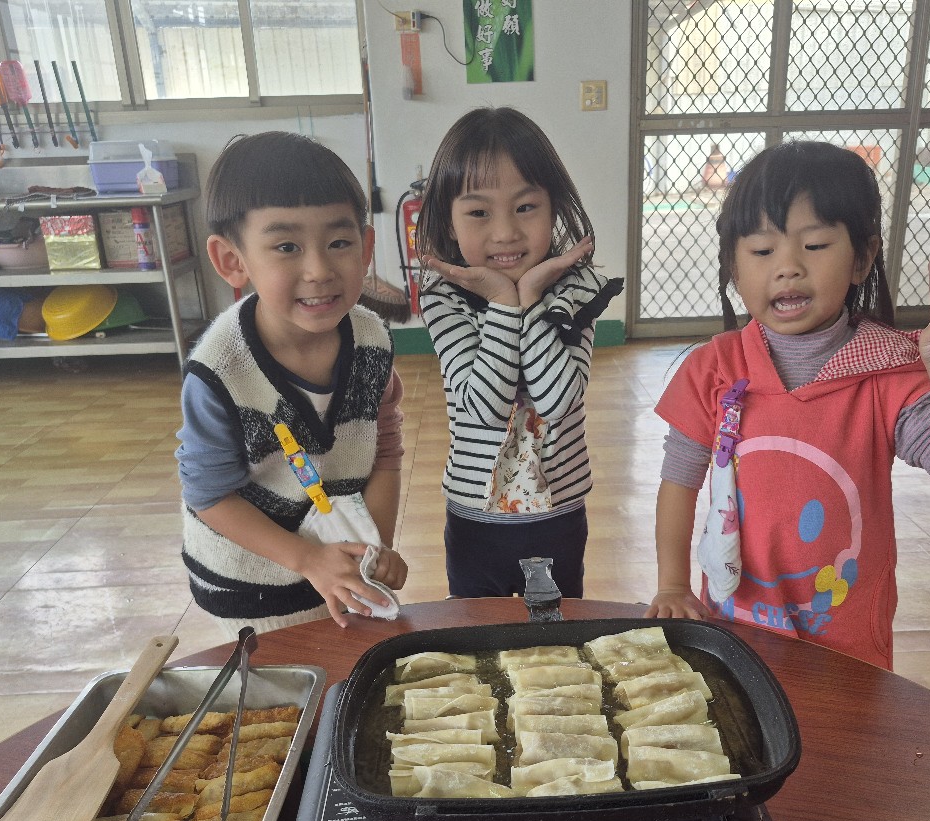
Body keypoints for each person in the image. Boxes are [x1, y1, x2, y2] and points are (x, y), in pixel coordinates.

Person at [645, 140, 930, 669]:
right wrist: (673, 584)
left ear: (862, 259)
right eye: (762, 252)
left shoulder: (885, 370)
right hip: (734, 625)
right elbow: (679, 481)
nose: (788, 268)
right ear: (734, 268)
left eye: (814, 245)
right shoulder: (713, 369)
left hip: (845, 642)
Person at [175, 131, 408, 634]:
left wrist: (375, 546)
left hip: (340, 568)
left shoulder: (371, 341)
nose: (319, 270)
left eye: (339, 243)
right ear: (232, 261)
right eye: (286, 246)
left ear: (366, 248)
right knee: (279, 682)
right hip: (250, 586)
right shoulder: (219, 372)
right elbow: (210, 496)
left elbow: (385, 452)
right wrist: (307, 560)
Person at [415, 106, 622, 598]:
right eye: (479, 212)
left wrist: (530, 297)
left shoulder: (577, 289)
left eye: (525, 207)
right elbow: (485, 407)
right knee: (475, 630)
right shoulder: (442, 297)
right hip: (475, 519)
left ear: (554, 207)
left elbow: (558, 399)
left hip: (559, 514)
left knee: (556, 628)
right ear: (449, 221)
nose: (505, 232)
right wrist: (505, 304)